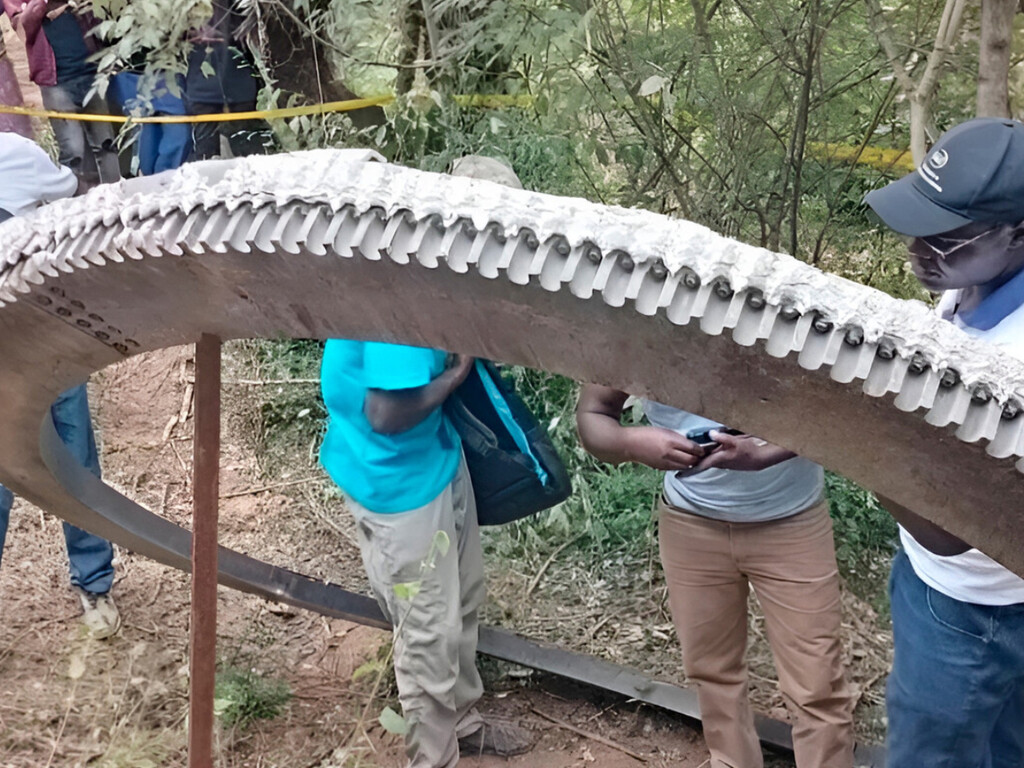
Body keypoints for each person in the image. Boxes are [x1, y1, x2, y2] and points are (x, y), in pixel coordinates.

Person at [318, 157, 535, 767]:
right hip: (397, 479)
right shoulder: (406, 294)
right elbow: (387, 413)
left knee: (460, 598)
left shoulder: (431, 263)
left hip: (431, 456)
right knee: (428, 631)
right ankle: (434, 757)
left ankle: (463, 721)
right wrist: (456, 376)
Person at [576, 389, 855, 768]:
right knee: (712, 672)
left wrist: (767, 453)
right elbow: (592, 415)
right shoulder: (635, 346)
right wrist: (631, 443)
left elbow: (843, 411)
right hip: (691, 522)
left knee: (817, 685)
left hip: (792, 520)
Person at [864, 116, 1024, 767]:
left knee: (934, 752)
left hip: (977, 606)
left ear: (1018, 232)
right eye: (917, 227)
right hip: (949, 582)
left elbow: (956, 531)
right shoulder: (974, 284)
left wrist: (843, 434)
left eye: (947, 239)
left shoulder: (1014, 360)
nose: (918, 249)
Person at [0, 131, 120, 640]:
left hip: (49, 340)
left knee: (73, 462)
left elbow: (70, 193)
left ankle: (94, 583)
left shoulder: (17, 155)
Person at [3, 0, 120, 185]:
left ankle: (117, 193)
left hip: (94, 74)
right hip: (57, 83)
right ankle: (80, 200)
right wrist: (42, 3)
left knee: (107, 145)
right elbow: (23, 27)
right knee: (74, 154)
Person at [184, 0, 273, 161]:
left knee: (252, 152)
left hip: (238, 86)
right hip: (205, 89)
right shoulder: (185, 10)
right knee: (206, 156)